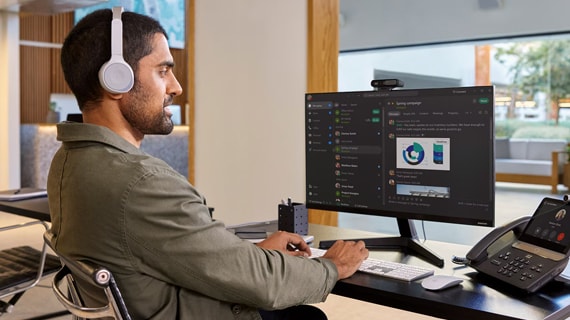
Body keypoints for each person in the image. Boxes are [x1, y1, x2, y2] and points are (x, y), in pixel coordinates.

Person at [47, 8, 368, 320]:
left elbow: (166, 250)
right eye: (162, 71)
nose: (176, 86)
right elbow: (265, 284)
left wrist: (247, 255)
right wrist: (331, 266)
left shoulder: (67, 162)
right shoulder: (142, 183)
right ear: (116, 80)